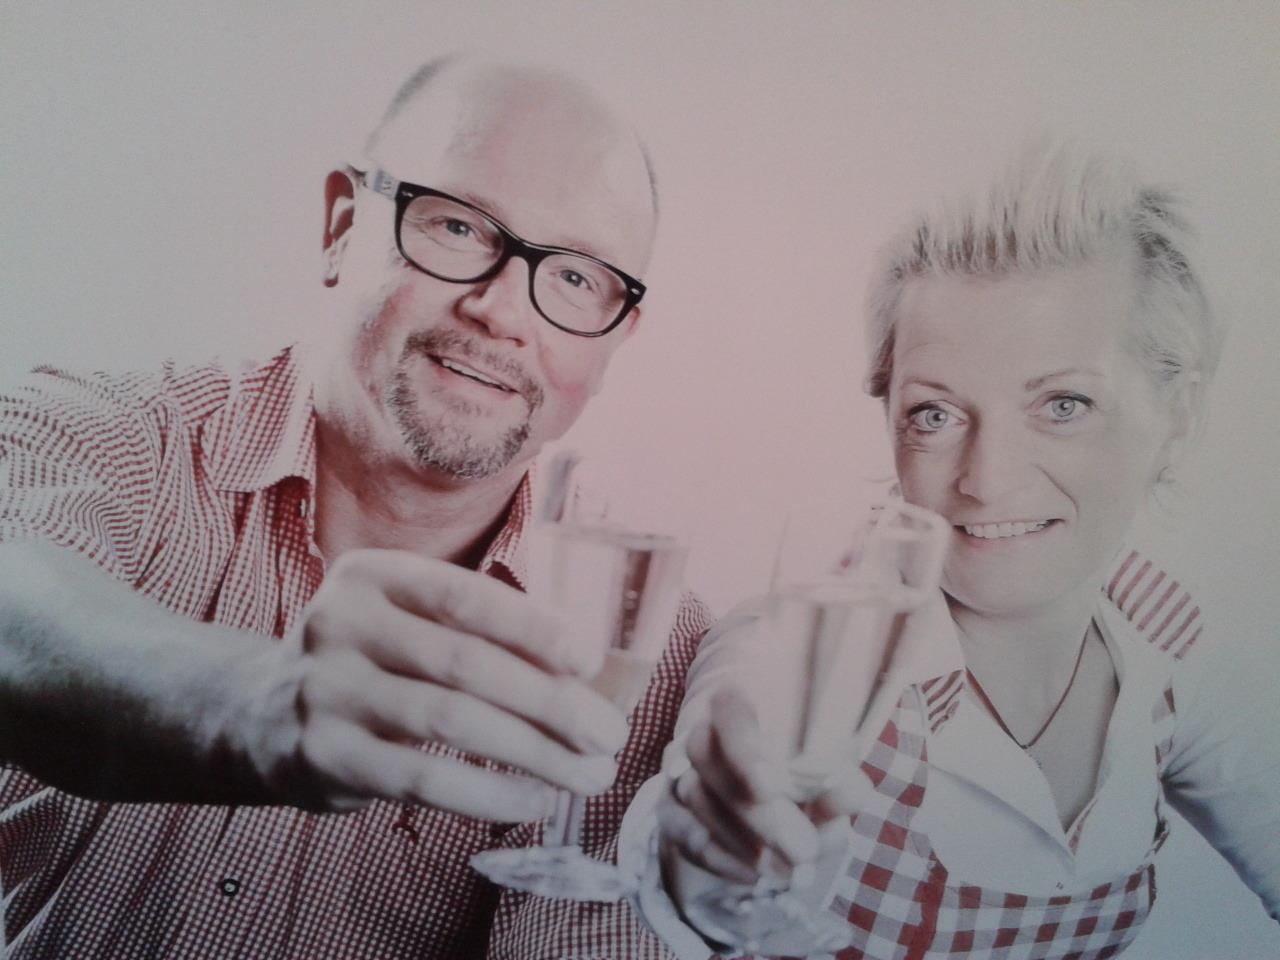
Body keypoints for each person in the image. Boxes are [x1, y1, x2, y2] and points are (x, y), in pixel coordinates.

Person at [0, 56, 711, 958]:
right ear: (342, 225)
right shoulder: (120, 437)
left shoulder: (648, 647)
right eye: (457, 225)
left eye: (576, 279)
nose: (502, 313)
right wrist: (255, 704)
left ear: (614, 339)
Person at [623, 142, 1280, 958]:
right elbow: (701, 803)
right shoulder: (814, 649)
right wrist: (705, 850)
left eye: (1063, 405)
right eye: (935, 415)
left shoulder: (1171, 655)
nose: (987, 480)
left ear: (1178, 416)